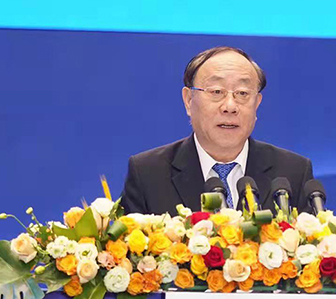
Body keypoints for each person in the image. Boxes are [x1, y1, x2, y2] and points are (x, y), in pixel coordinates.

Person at [120, 46, 314, 216]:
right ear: (188, 100)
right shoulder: (148, 173)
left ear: (257, 104)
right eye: (216, 92)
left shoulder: (293, 172)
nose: (230, 106)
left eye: (242, 93)